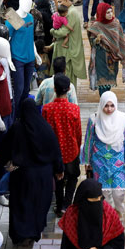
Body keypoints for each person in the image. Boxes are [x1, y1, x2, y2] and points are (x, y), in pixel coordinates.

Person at [0, 98, 65, 246]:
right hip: (43, 177)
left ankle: (20, 234)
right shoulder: (45, 128)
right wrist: (59, 170)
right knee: (38, 205)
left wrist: (5, 162)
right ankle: (33, 233)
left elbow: (4, 148)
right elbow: (55, 151)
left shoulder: (17, 128)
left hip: (22, 176)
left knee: (21, 205)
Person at [81, 91, 125, 216]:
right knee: (104, 192)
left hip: (118, 161)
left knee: (118, 192)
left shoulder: (123, 119)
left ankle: (119, 213)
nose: (109, 109)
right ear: (101, 105)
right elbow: (88, 140)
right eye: (106, 105)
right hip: (99, 161)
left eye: (112, 106)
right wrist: (87, 161)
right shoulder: (94, 119)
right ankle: (109, 216)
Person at [42, 74, 82, 217]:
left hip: (54, 152)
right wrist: (78, 147)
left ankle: (59, 206)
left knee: (58, 179)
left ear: (54, 89)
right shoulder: (74, 109)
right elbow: (78, 133)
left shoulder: (47, 109)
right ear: (69, 89)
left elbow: (45, 133)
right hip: (71, 150)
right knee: (72, 177)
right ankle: (67, 204)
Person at [86, 3, 125, 96]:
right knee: (102, 80)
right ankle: (104, 99)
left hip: (113, 57)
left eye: (111, 12)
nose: (110, 14)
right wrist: (97, 40)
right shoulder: (96, 26)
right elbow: (92, 41)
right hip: (101, 56)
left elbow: (120, 39)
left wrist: (122, 51)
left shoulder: (116, 23)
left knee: (110, 78)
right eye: (107, 12)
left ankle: (106, 98)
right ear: (101, 13)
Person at [52, 0, 88, 86]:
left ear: (67, 0)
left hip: (68, 51)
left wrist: (52, 31)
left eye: (60, 2)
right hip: (66, 49)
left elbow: (63, 32)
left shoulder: (70, 13)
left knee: (67, 78)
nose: (58, 4)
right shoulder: (69, 11)